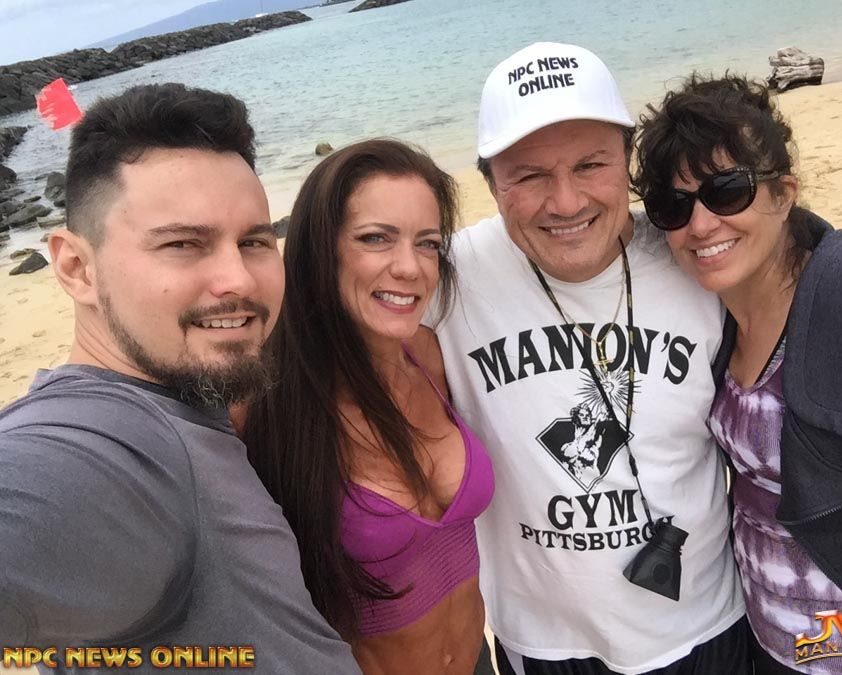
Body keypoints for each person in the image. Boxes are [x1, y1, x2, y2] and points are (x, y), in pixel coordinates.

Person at [0, 83, 361, 673]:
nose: (238, 279)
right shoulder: (105, 448)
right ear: (76, 267)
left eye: (254, 240)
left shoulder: (188, 399)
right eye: (183, 243)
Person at [429, 42, 748, 675]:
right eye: (529, 176)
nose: (567, 202)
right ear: (490, 183)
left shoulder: (697, 257)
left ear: (627, 161)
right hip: (547, 643)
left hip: (703, 625)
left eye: (591, 165)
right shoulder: (447, 277)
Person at [633, 74, 842, 674]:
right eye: (674, 206)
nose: (701, 225)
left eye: (727, 191)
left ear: (784, 194)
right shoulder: (715, 323)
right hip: (768, 643)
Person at [243, 139, 496, 675]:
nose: (410, 268)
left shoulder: (430, 357)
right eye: (376, 238)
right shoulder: (266, 402)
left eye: (427, 243)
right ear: (322, 251)